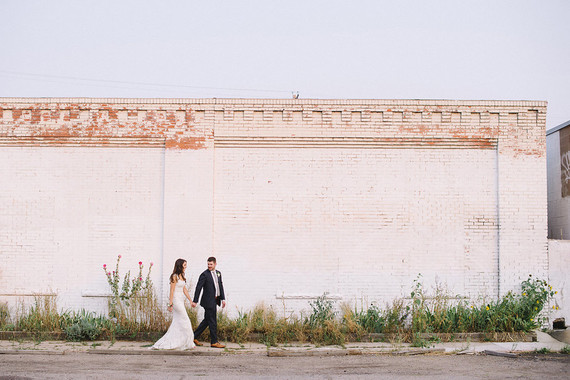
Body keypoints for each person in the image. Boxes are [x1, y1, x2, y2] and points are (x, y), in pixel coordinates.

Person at [151, 259, 195, 350]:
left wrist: (190, 300)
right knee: (185, 320)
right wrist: (170, 304)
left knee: (178, 321)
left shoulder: (182, 275)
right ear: (180, 265)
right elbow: (172, 290)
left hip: (181, 300)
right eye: (184, 265)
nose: (186, 266)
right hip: (176, 301)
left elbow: (184, 289)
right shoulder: (174, 276)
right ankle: (188, 342)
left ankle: (183, 342)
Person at [191, 256, 226, 348]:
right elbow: (198, 288)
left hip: (215, 300)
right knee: (213, 321)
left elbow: (220, 286)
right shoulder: (204, 274)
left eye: (211, 264)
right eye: (208, 264)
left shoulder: (218, 273)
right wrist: (195, 300)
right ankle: (214, 342)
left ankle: (193, 337)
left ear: (215, 264)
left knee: (207, 321)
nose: (209, 266)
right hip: (208, 301)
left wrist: (223, 299)